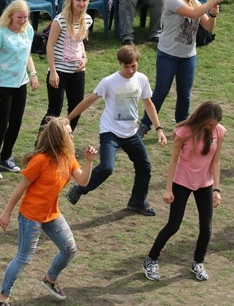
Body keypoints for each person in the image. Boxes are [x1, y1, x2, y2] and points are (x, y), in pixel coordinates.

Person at [0, 118, 97, 306]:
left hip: (51, 214)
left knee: (69, 249)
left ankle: (50, 279)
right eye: (69, 132)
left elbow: (83, 181)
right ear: (59, 137)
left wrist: (89, 162)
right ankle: (2, 297)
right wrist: (6, 213)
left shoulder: (68, 157)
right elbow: (21, 188)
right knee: (23, 258)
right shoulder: (40, 160)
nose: (72, 135)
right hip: (31, 216)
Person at [65, 45, 167, 216]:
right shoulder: (109, 82)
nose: (131, 70)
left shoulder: (141, 79)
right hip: (110, 132)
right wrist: (68, 118)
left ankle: (137, 202)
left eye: (134, 66)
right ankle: (80, 189)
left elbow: (149, 104)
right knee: (106, 167)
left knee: (145, 167)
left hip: (131, 133)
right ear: (120, 63)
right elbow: (88, 101)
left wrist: (159, 129)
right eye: (127, 67)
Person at [142, 101, 225, 282]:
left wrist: (216, 189)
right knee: (174, 225)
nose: (212, 128)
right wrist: (168, 189)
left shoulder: (219, 131)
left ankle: (198, 262)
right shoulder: (184, 132)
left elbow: (216, 161)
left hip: (204, 183)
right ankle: (151, 260)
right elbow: (173, 162)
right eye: (210, 124)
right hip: (182, 181)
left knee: (207, 227)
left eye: (215, 125)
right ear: (202, 119)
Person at [137, 0, 224, 138]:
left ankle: (182, 126)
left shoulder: (196, 3)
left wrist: (213, 13)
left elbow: (209, 27)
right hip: (168, 54)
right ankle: (145, 124)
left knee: (185, 94)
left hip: (188, 56)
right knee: (161, 91)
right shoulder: (171, 1)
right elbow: (193, 14)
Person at [0, 0, 40, 180]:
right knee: (2, 123)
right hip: (2, 85)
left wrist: (33, 73)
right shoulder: (0, 34)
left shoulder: (28, 30)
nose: (23, 20)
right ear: (10, 16)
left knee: (16, 122)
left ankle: (5, 157)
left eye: (25, 17)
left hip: (20, 83)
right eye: (19, 17)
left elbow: (27, 54)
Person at [39, 0, 92, 133]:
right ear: (71, 0)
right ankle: (41, 144)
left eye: (85, 0)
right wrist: (53, 72)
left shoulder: (87, 20)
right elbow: (50, 46)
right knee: (54, 110)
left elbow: (80, 40)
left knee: (76, 108)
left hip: (77, 70)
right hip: (60, 70)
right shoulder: (60, 20)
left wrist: (84, 58)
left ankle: (66, 139)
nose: (81, 4)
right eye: (78, 0)